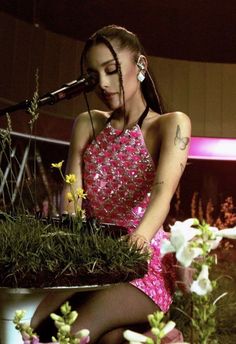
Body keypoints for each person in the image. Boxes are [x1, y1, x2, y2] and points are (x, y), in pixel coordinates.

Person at [31, 25, 191, 343]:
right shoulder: (87, 124)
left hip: (141, 263)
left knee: (73, 332)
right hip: (90, 259)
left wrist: (140, 238)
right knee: (33, 322)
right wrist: (68, 246)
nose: (102, 84)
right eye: (93, 75)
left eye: (111, 70)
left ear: (140, 66)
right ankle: (156, 339)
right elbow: (73, 196)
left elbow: (163, 192)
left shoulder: (170, 124)